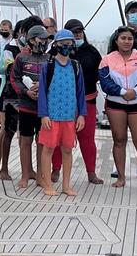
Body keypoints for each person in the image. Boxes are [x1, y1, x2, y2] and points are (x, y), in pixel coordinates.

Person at [99, 26, 137, 188]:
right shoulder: (107, 59)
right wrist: (123, 92)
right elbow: (105, 83)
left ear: (133, 41)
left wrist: (136, 91)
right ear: (116, 40)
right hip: (116, 104)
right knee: (119, 140)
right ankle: (121, 178)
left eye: (130, 38)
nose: (126, 41)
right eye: (123, 38)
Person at [51, 19, 102, 185]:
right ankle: (56, 169)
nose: (78, 34)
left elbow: (99, 74)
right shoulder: (55, 53)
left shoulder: (93, 52)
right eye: (74, 32)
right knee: (58, 138)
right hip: (62, 101)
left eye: (80, 31)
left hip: (87, 101)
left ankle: (91, 172)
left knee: (87, 138)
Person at [38, 29, 87, 196]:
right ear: (56, 45)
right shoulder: (48, 66)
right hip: (51, 116)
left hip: (69, 116)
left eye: (69, 43)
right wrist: (44, 114)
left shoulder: (76, 66)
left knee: (67, 149)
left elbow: (81, 92)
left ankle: (66, 185)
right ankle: (47, 185)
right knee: (48, 149)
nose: (66, 46)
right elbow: (42, 93)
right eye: (62, 43)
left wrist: (81, 114)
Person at [11, 23, 52, 189]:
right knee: (25, 141)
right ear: (31, 40)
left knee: (41, 142)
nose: (44, 42)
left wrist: (42, 88)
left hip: (43, 108)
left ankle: (41, 176)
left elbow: (53, 80)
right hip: (26, 105)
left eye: (46, 39)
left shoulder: (50, 59)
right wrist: (26, 92)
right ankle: (25, 175)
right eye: (41, 38)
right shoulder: (21, 58)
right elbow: (14, 79)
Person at [0, 21, 25, 180]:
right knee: (5, 130)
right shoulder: (9, 48)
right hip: (9, 94)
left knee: (25, 134)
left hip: (28, 97)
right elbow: (5, 68)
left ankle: (26, 169)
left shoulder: (36, 51)